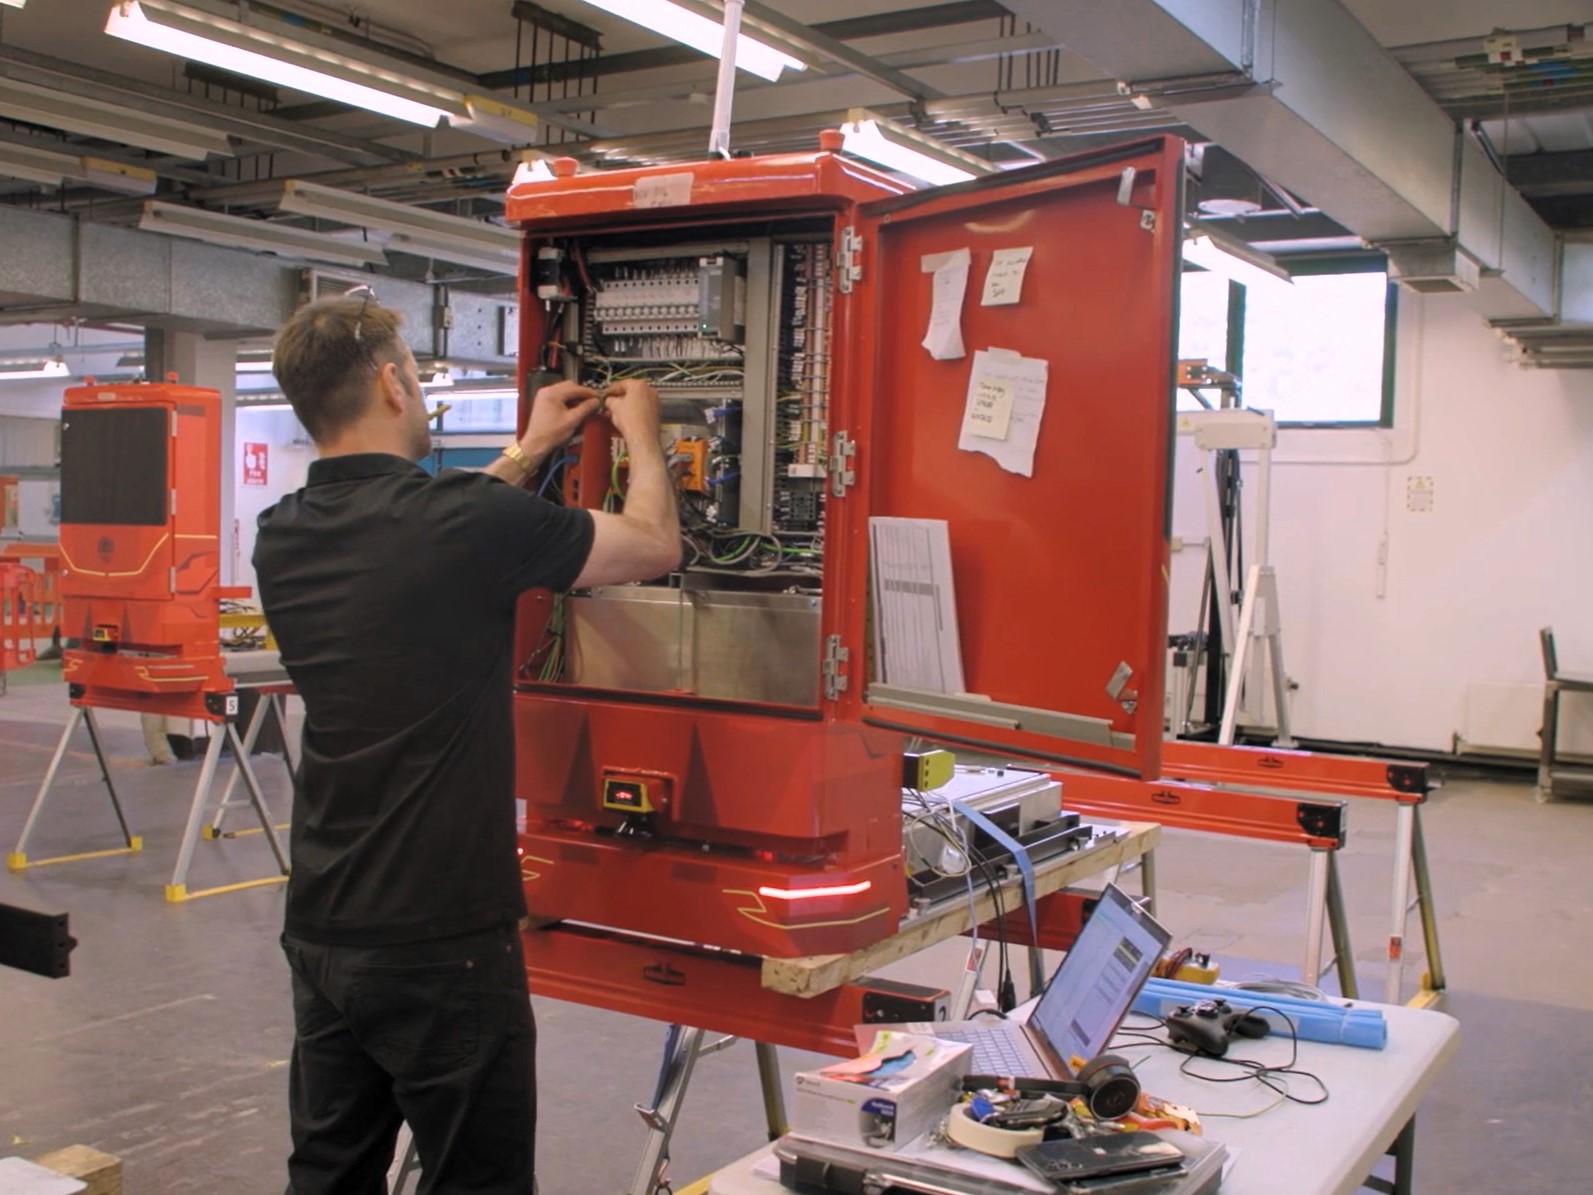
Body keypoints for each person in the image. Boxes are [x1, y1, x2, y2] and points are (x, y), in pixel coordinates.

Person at [256, 289, 680, 1195]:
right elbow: (650, 544)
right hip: (442, 937)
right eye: (414, 371)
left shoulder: (282, 534)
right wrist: (644, 433)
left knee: (327, 1173)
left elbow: (436, 534)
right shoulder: (456, 525)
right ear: (390, 384)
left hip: (326, 924)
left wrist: (528, 449)